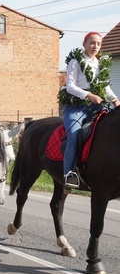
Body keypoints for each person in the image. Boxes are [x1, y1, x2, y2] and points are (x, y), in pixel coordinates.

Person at [59, 32, 119, 189]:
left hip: (96, 106)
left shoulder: (100, 63)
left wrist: (115, 99)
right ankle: (69, 175)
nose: (95, 47)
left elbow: (104, 86)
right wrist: (89, 95)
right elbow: (70, 86)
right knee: (74, 135)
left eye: (98, 44)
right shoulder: (75, 61)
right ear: (84, 43)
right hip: (76, 107)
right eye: (92, 43)